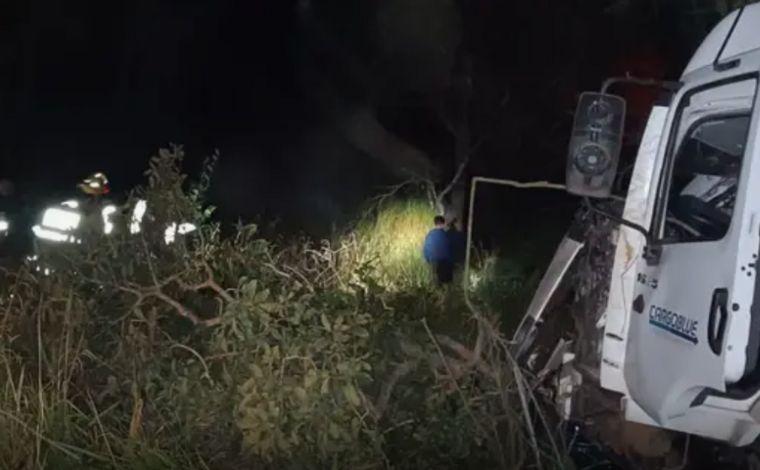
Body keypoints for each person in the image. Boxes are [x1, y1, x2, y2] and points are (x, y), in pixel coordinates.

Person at [423, 215, 453, 284]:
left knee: (434, 281)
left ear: (435, 223)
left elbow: (425, 249)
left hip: (432, 261)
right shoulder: (446, 235)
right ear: (443, 224)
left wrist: (427, 260)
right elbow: (449, 251)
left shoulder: (429, 234)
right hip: (443, 263)